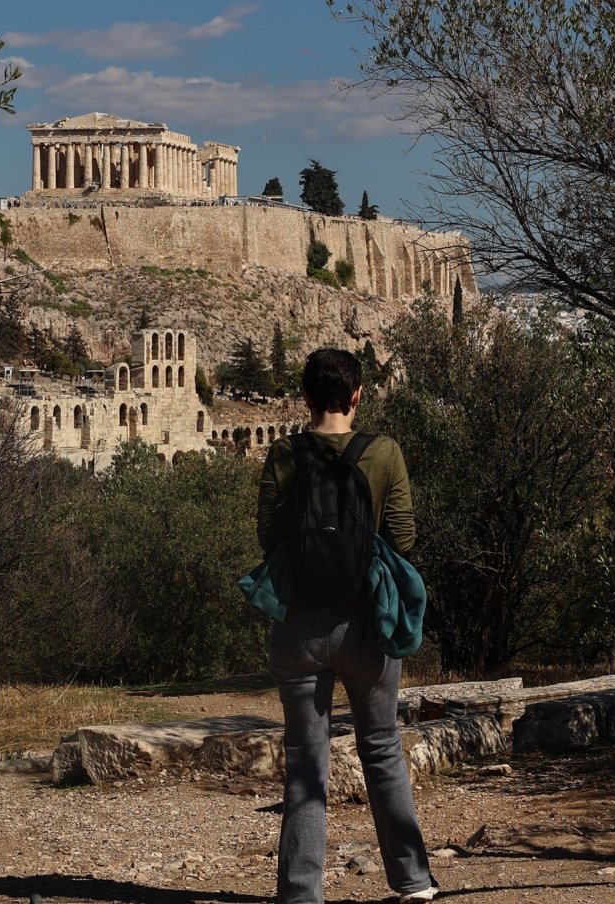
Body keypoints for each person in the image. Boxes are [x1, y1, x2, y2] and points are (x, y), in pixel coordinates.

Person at [257, 347, 435, 904]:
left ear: (305, 398)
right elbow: (404, 538)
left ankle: (301, 894)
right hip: (368, 626)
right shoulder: (383, 453)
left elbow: (268, 539)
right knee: (381, 747)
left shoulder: (283, 454)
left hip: (298, 630)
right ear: (358, 396)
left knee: (306, 760)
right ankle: (412, 882)